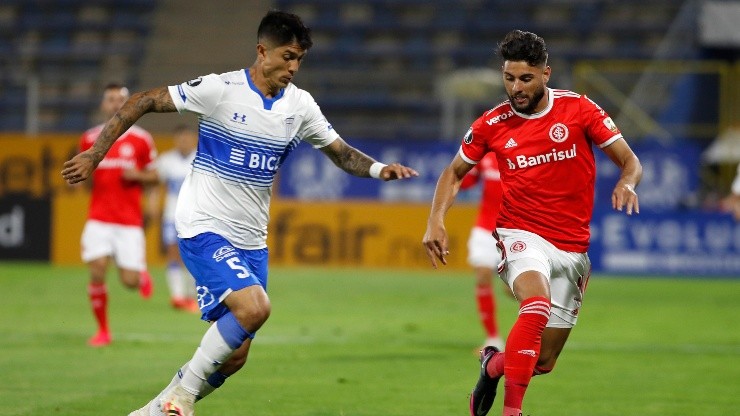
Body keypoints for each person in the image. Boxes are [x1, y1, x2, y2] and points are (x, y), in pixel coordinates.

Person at [62, 11, 418, 416]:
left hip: (251, 240)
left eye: (300, 59)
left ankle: (153, 411)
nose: (293, 67)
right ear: (262, 51)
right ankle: (178, 400)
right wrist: (96, 152)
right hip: (203, 226)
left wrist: (377, 169)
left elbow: (340, 152)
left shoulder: (300, 105)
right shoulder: (219, 90)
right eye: (287, 57)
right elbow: (142, 100)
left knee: (235, 356)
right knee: (255, 308)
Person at [422, 30, 641, 416]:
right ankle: (513, 411)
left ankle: (492, 365)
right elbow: (454, 172)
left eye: (525, 78)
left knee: (543, 362)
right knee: (535, 304)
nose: (516, 87)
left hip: (572, 246)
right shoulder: (492, 123)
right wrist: (436, 219)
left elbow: (630, 160)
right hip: (519, 233)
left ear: (545, 74)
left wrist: (626, 181)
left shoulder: (579, 110)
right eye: (509, 78)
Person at [79, 83, 159, 347]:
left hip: (128, 221)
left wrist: (138, 175)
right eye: (110, 99)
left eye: (120, 100)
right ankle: (103, 330)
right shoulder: (89, 139)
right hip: (99, 217)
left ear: (128, 104)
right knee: (98, 268)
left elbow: (155, 175)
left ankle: (141, 273)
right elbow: (84, 176)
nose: (115, 104)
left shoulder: (141, 140)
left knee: (130, 282)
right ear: (104, 104)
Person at [459, 152, 508, 351]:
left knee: (516, 289)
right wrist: (460, 170)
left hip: (515, 231)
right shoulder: (486, 155)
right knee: (482, 276)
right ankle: (493, 339)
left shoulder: (526, 152)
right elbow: (466, 182)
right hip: (485, 229)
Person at [155, 124, 199, 313]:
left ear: (194, 139)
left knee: (192, 255)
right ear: (175, 140)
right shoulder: (166, 160)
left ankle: (191, 296)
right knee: (173, 253)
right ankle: (177, 296)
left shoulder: (200, 158)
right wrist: (153, 204)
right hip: (171, 214)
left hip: (195, 215)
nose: (184, 141)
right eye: (180, 138)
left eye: (187, 138)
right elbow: (156, 186)